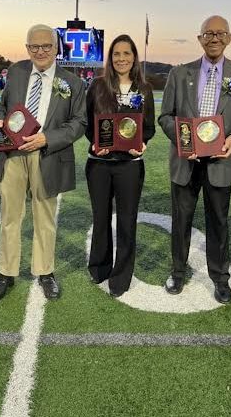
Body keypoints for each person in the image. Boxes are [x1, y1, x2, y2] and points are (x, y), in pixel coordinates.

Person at [158, 15, 231, 304]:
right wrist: (182, 139)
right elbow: (165, 116)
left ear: (229, 38)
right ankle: (178, 272)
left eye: (220, 33)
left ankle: (219, 277)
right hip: (185, 162)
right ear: (200, 38)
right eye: (208, 33)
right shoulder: (179, 74)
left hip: (220, 163)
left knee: (218, 222)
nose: (214, 38)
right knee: (181, 221)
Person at [0, 24, 86, 301]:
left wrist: (47, 138)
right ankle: (6, 272)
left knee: (45, 219)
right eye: (34, 46)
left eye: (46, 46)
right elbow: (3, 106)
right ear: (27, 47)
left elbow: (79, 123)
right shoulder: (16, 72)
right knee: (10, 217)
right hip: (13, 155)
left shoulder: (73, 83)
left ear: (56, 48)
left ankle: (45, 271)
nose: (40, 51)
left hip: (48, 155)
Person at [85, 34, 155, 297]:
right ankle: (99, 267)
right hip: (99, 165)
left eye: (126, 53)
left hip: (130, 165)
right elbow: (87, 123)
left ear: (134, 57)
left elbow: (147, 128)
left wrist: (143, 143)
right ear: (110, 58)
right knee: (100, 219)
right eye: (116, 54)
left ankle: (121, 276)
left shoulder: (144, 89)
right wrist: (94, 144)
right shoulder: (98, 86)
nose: (121, 59)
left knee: (127, 221)